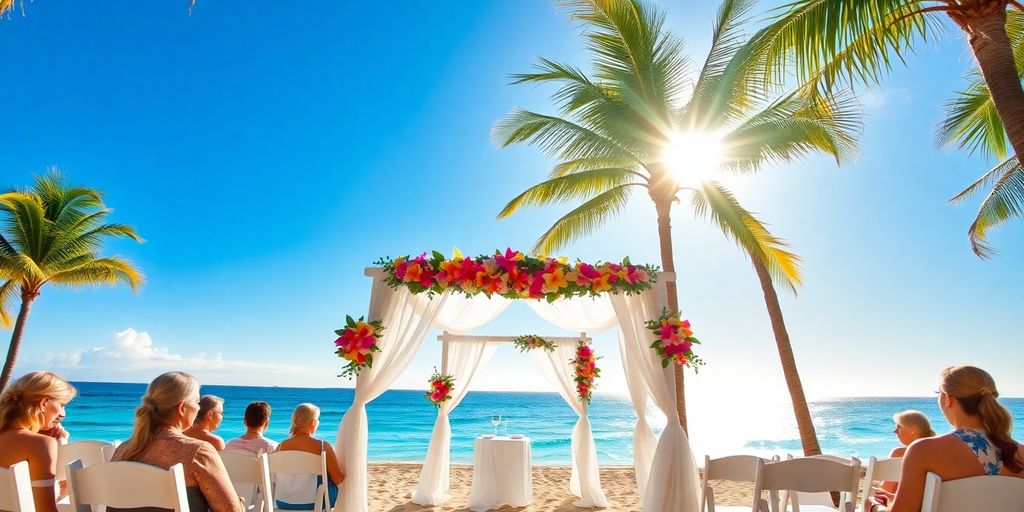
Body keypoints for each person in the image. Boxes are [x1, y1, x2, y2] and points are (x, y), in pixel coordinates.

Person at [864, 365, 1024, 512]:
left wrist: (873, 506)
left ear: (948, 398)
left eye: (938, 393)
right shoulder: (1021, 452)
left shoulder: (923, 451)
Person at [111, 372, 242, 512]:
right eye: (197, 402)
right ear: (182, 408)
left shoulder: (122, 450)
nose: (198, 408)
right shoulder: (197, 452)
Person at [0, 371, 76, 512]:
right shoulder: (40, 444)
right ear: (43, 403)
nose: (63, 414)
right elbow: (46, 510)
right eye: (62, 405)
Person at [274, 404, 344, 510]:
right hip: (315, 502)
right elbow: (338, 478)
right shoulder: (322, 446)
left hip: (282, 501)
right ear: (313, 422)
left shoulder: (280, 447)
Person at [880, 410, 936, 492]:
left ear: (912, 430)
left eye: (899, 427)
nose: (895, 431)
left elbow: (886, 490)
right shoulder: (935, 451)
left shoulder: (899, 453)